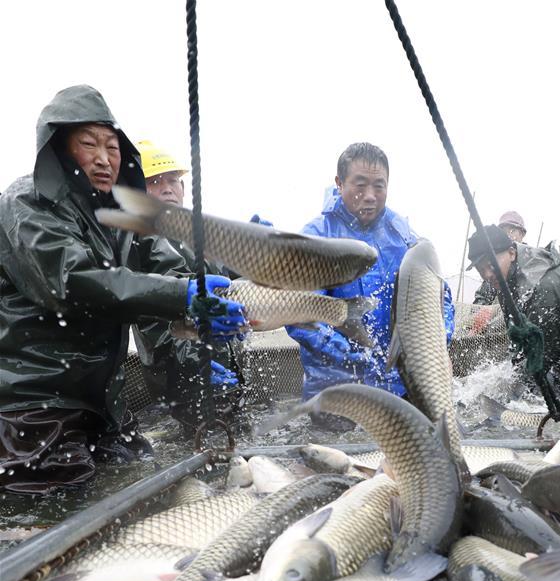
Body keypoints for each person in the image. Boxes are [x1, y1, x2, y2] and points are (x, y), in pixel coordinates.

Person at [0, 85, 246, 495]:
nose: (103, 158)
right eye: (88, 144)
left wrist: (208, 308)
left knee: (147, 485)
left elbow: (168, 266)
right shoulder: (28, 203)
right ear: (58, 150)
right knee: (56, 514)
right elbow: (73, 281)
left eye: (112, 147)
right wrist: (180, 297)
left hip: (105, 407)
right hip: (35, 405)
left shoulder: (119, 216)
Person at [286, 142, 454, 430]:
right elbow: (301, 316)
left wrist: (435, 343)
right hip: (337, 390)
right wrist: (356, 357)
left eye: (380, 186)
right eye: (360, 185)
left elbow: (439, 296)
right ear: (339, 183)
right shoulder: (316, 237)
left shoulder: (403, 235)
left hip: (400, 386)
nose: (370, 196)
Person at [134, 140, 240, 420]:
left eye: (173, 180)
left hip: (223, 370)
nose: (167, 188)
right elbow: (163, 317)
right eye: (154, 181)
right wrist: (194, 362)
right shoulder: (139, 239)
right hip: (182, 377)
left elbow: (235, 280)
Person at [467, 224, 560, 395]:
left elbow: (542, 354)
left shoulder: (542, 285)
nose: (486, 274)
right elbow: (517, 337)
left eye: (491, 265)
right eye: (480, 269)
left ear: (511, 253)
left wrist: (511, 390)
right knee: (556, 378)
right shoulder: (503, 280)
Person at [474, 210, 527, 305]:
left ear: (522, 234)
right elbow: (483, 296)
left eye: (512, 231)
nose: (508, 235)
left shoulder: (530, 262)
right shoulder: (495, 266)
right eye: (503, 231)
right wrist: (484, 310)